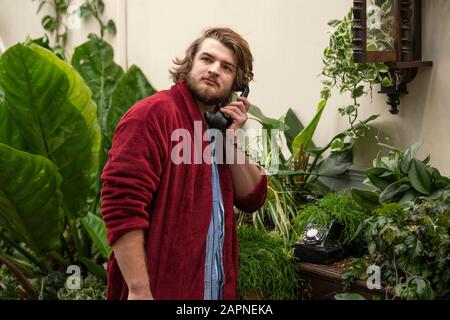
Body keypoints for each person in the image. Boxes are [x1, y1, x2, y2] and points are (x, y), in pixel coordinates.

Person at [101, 27, 268, 300]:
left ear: (238, 84)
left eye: (226, 67)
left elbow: (253, 197)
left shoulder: (218, 129)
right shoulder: (153, 115)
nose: (214, 70)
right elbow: (122, 206)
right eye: (207, 59)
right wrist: (139, 290)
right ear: (190, 63)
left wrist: (228, 138)